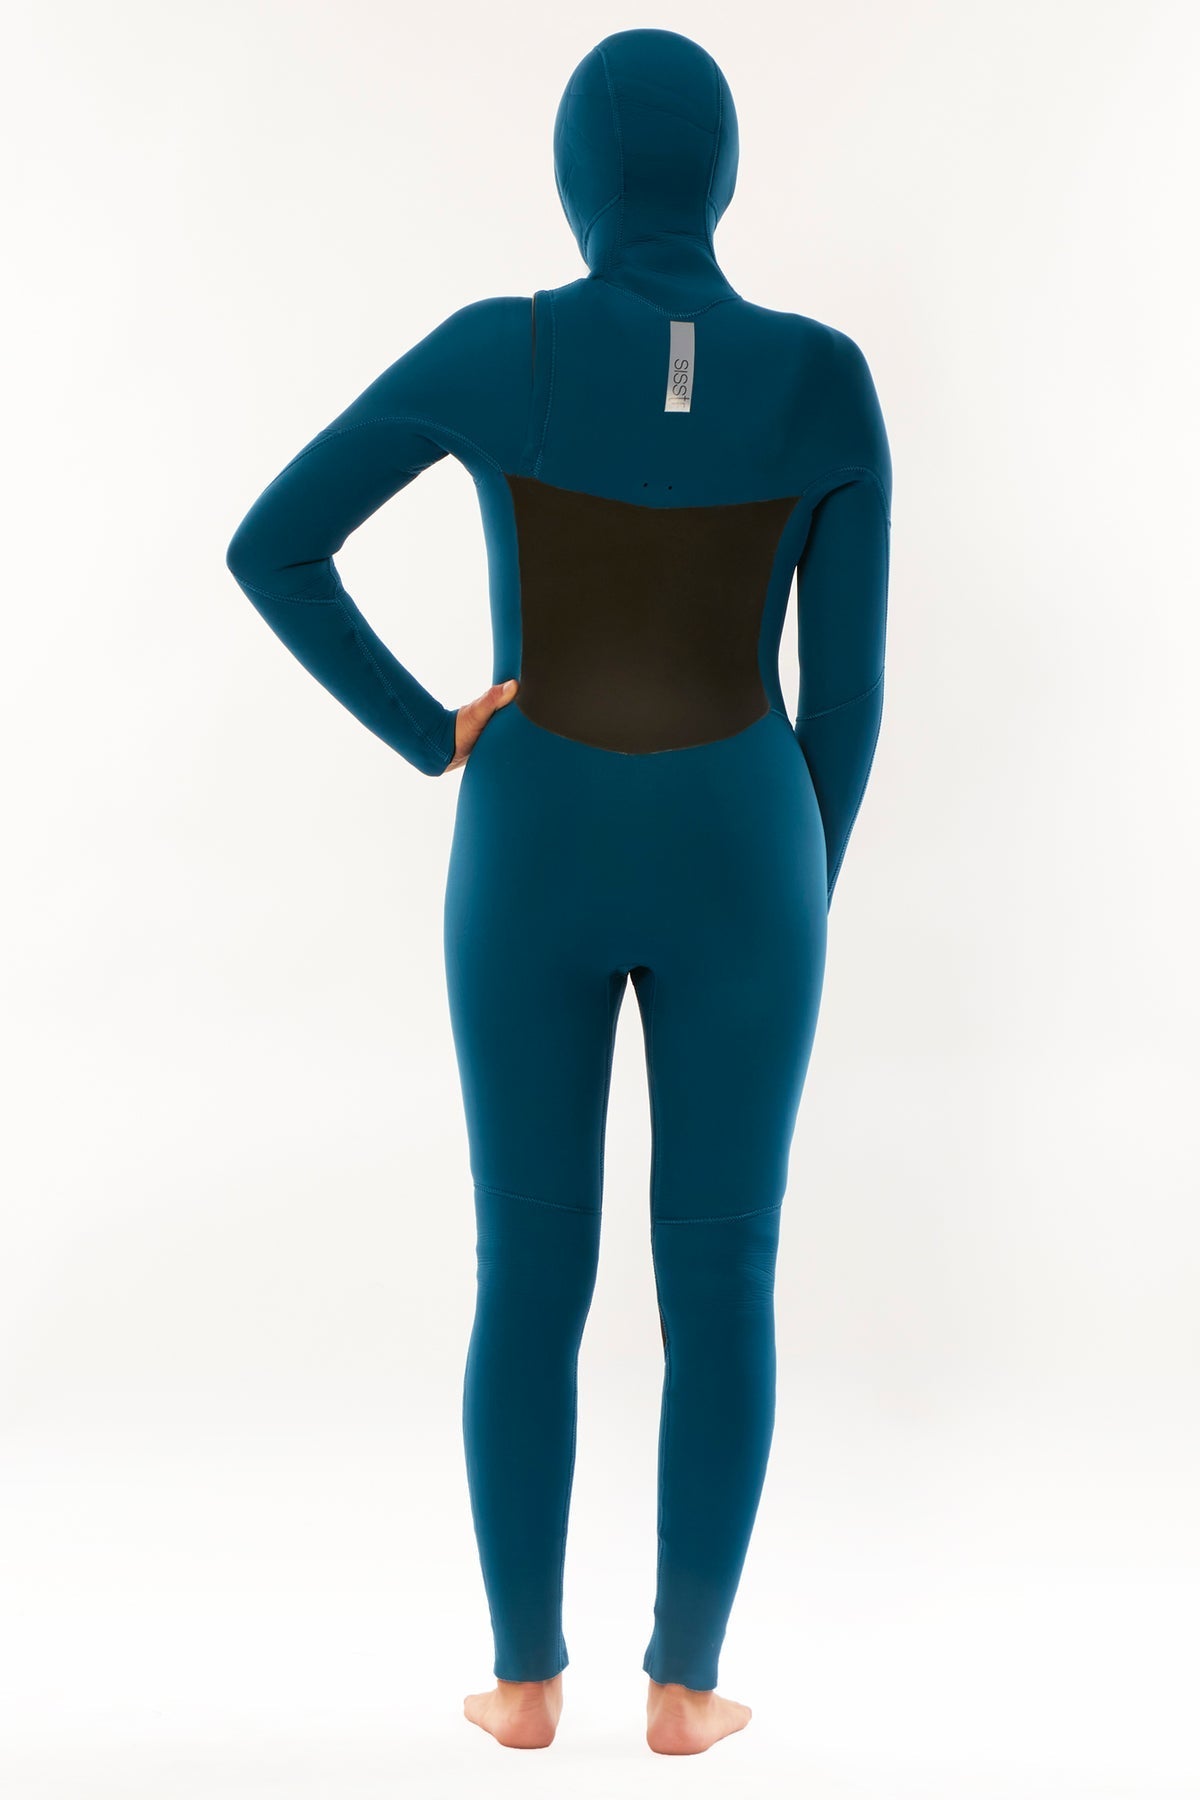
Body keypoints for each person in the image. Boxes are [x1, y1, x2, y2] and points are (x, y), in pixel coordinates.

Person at [225, 25, 891, 1757]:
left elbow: (274, 547)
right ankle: (685, 1688)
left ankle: (524, 1683)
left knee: (528, 1263)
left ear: (575, 178)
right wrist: (789, 886)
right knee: (723, 1273)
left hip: (531, 845)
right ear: (722, 176)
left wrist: (431, 732)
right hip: (750, 850)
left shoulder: (500, 347)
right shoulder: (826, 380)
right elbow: (848, 706)